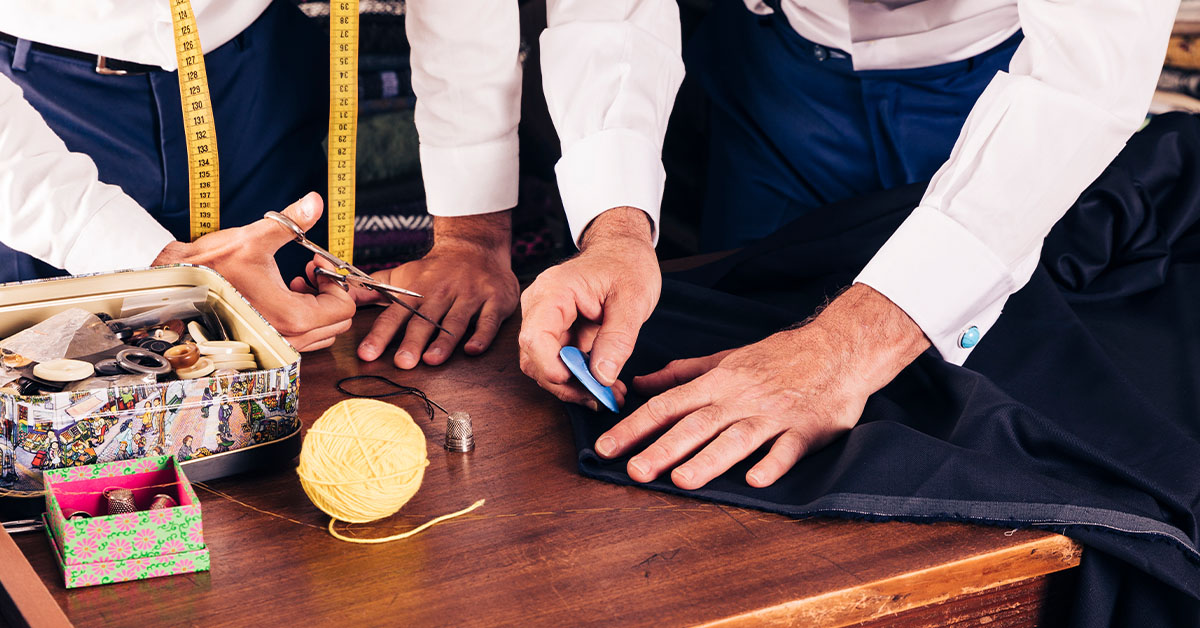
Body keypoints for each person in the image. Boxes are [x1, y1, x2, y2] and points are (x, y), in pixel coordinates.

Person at [515, 1, 1178, 490]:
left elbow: (1085, 82)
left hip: (995, 100)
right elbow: (609, 10)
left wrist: (844, 351)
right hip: (776, 78)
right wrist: (616, 229)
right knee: (737, 338)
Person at [0, 1, 521, 360]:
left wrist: (473, 235)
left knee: (295, 335)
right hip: (32, 109)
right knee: (54, 378)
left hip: (257, 73)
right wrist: (152, 259)